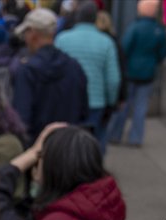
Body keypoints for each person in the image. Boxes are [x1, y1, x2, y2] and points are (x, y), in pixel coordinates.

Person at [12, 8, 89, 141]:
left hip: (36, 148)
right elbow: (83, 112)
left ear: (32, 34)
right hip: (68, 145)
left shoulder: (27, 70)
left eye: (25, 33)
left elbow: (21, 118)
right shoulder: (74, 66)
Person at [55, 0, 121, 148]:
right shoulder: (106, 42)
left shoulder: (62, 39)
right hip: (95, 102)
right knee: (94, 145)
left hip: (68, 99)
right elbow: (113, 80)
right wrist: (111, 102)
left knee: (67, 144)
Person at [107, 0, 166, 147]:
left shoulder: (134, 28)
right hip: (147, 73)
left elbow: (124, 48)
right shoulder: (158, 30)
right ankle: (135, 138)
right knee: (140, 108)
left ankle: (115, 134)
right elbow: (163, 52)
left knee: (125, 106)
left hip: (131, 72)